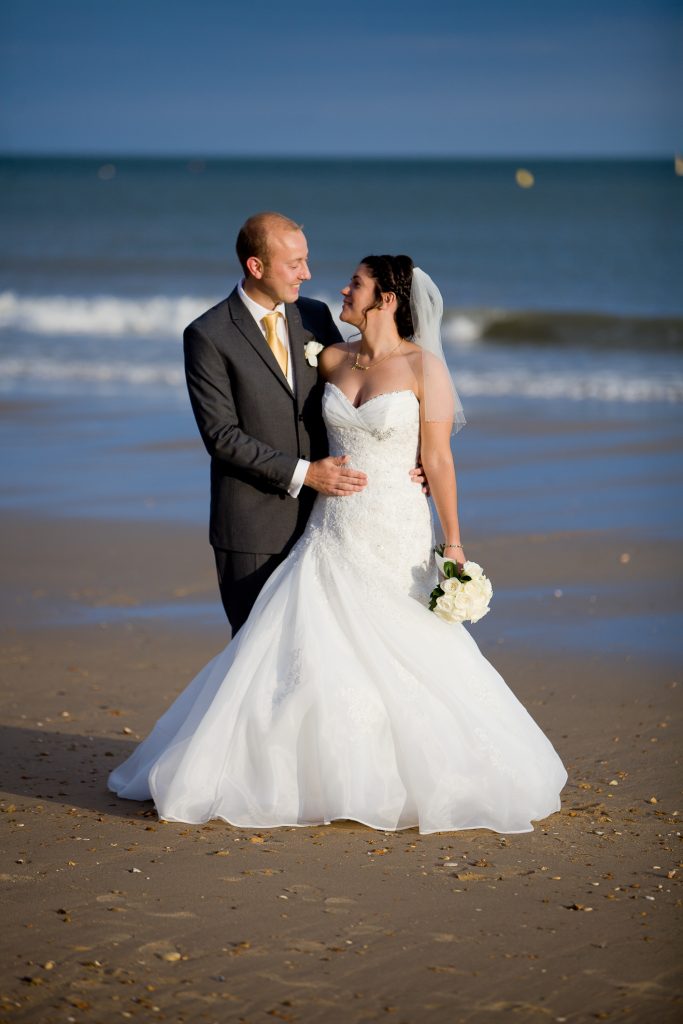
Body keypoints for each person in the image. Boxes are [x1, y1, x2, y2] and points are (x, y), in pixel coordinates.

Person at [110, 255, 567, 835]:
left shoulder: (425, 369)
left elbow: (440, 459)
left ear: (388, 300)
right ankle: (307, 774)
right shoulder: (330, 356)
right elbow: (277, 402)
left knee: (408, 648)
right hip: (330, 528)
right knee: (308, 647)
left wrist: (453, 543)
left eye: (357, 284)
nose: (342, 290)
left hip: (394, 526)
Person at [183, 211, 365, 634]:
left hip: (328, 525)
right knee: (256, 656)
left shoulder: (316, 316)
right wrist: (306, 473)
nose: (307, 272)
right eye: (295, 263)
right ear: (256, 266)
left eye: (306, 259)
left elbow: (352, 395)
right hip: (253, 529)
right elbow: (222, 437)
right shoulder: (208, 335)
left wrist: (407, 458)